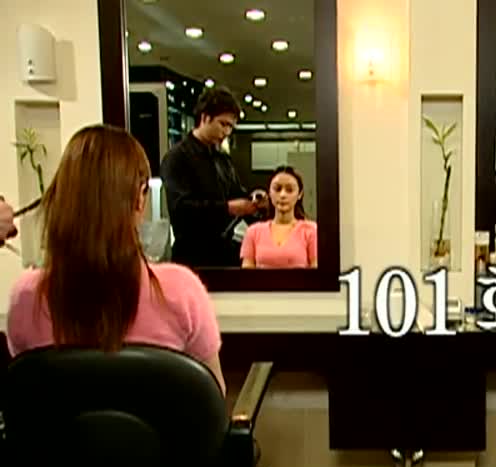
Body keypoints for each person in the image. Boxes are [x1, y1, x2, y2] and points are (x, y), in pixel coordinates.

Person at [5, 125, 227, 402]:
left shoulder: (27, 297)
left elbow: (25, 395)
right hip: (161, 433)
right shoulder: (181, 291)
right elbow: (213, 399)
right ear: (139, 198)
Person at [160, 86, 256, 267]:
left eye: (231, 127)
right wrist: (228, 209)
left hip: (224, 254)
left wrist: (255, 200)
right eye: (223, 124)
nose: (227, 132)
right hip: (191, 257)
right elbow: (181, 211)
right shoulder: (177, 157)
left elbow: (236, 193)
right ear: (205, 118)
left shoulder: (222, 159)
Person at [240, 166, 317, 269]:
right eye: (277, 189)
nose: (282, 195)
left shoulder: (311, 230)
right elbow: (247, 274)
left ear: (299, 194)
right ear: (269, 193)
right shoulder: (253, 232)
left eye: (289, 190)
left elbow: (317, 273)